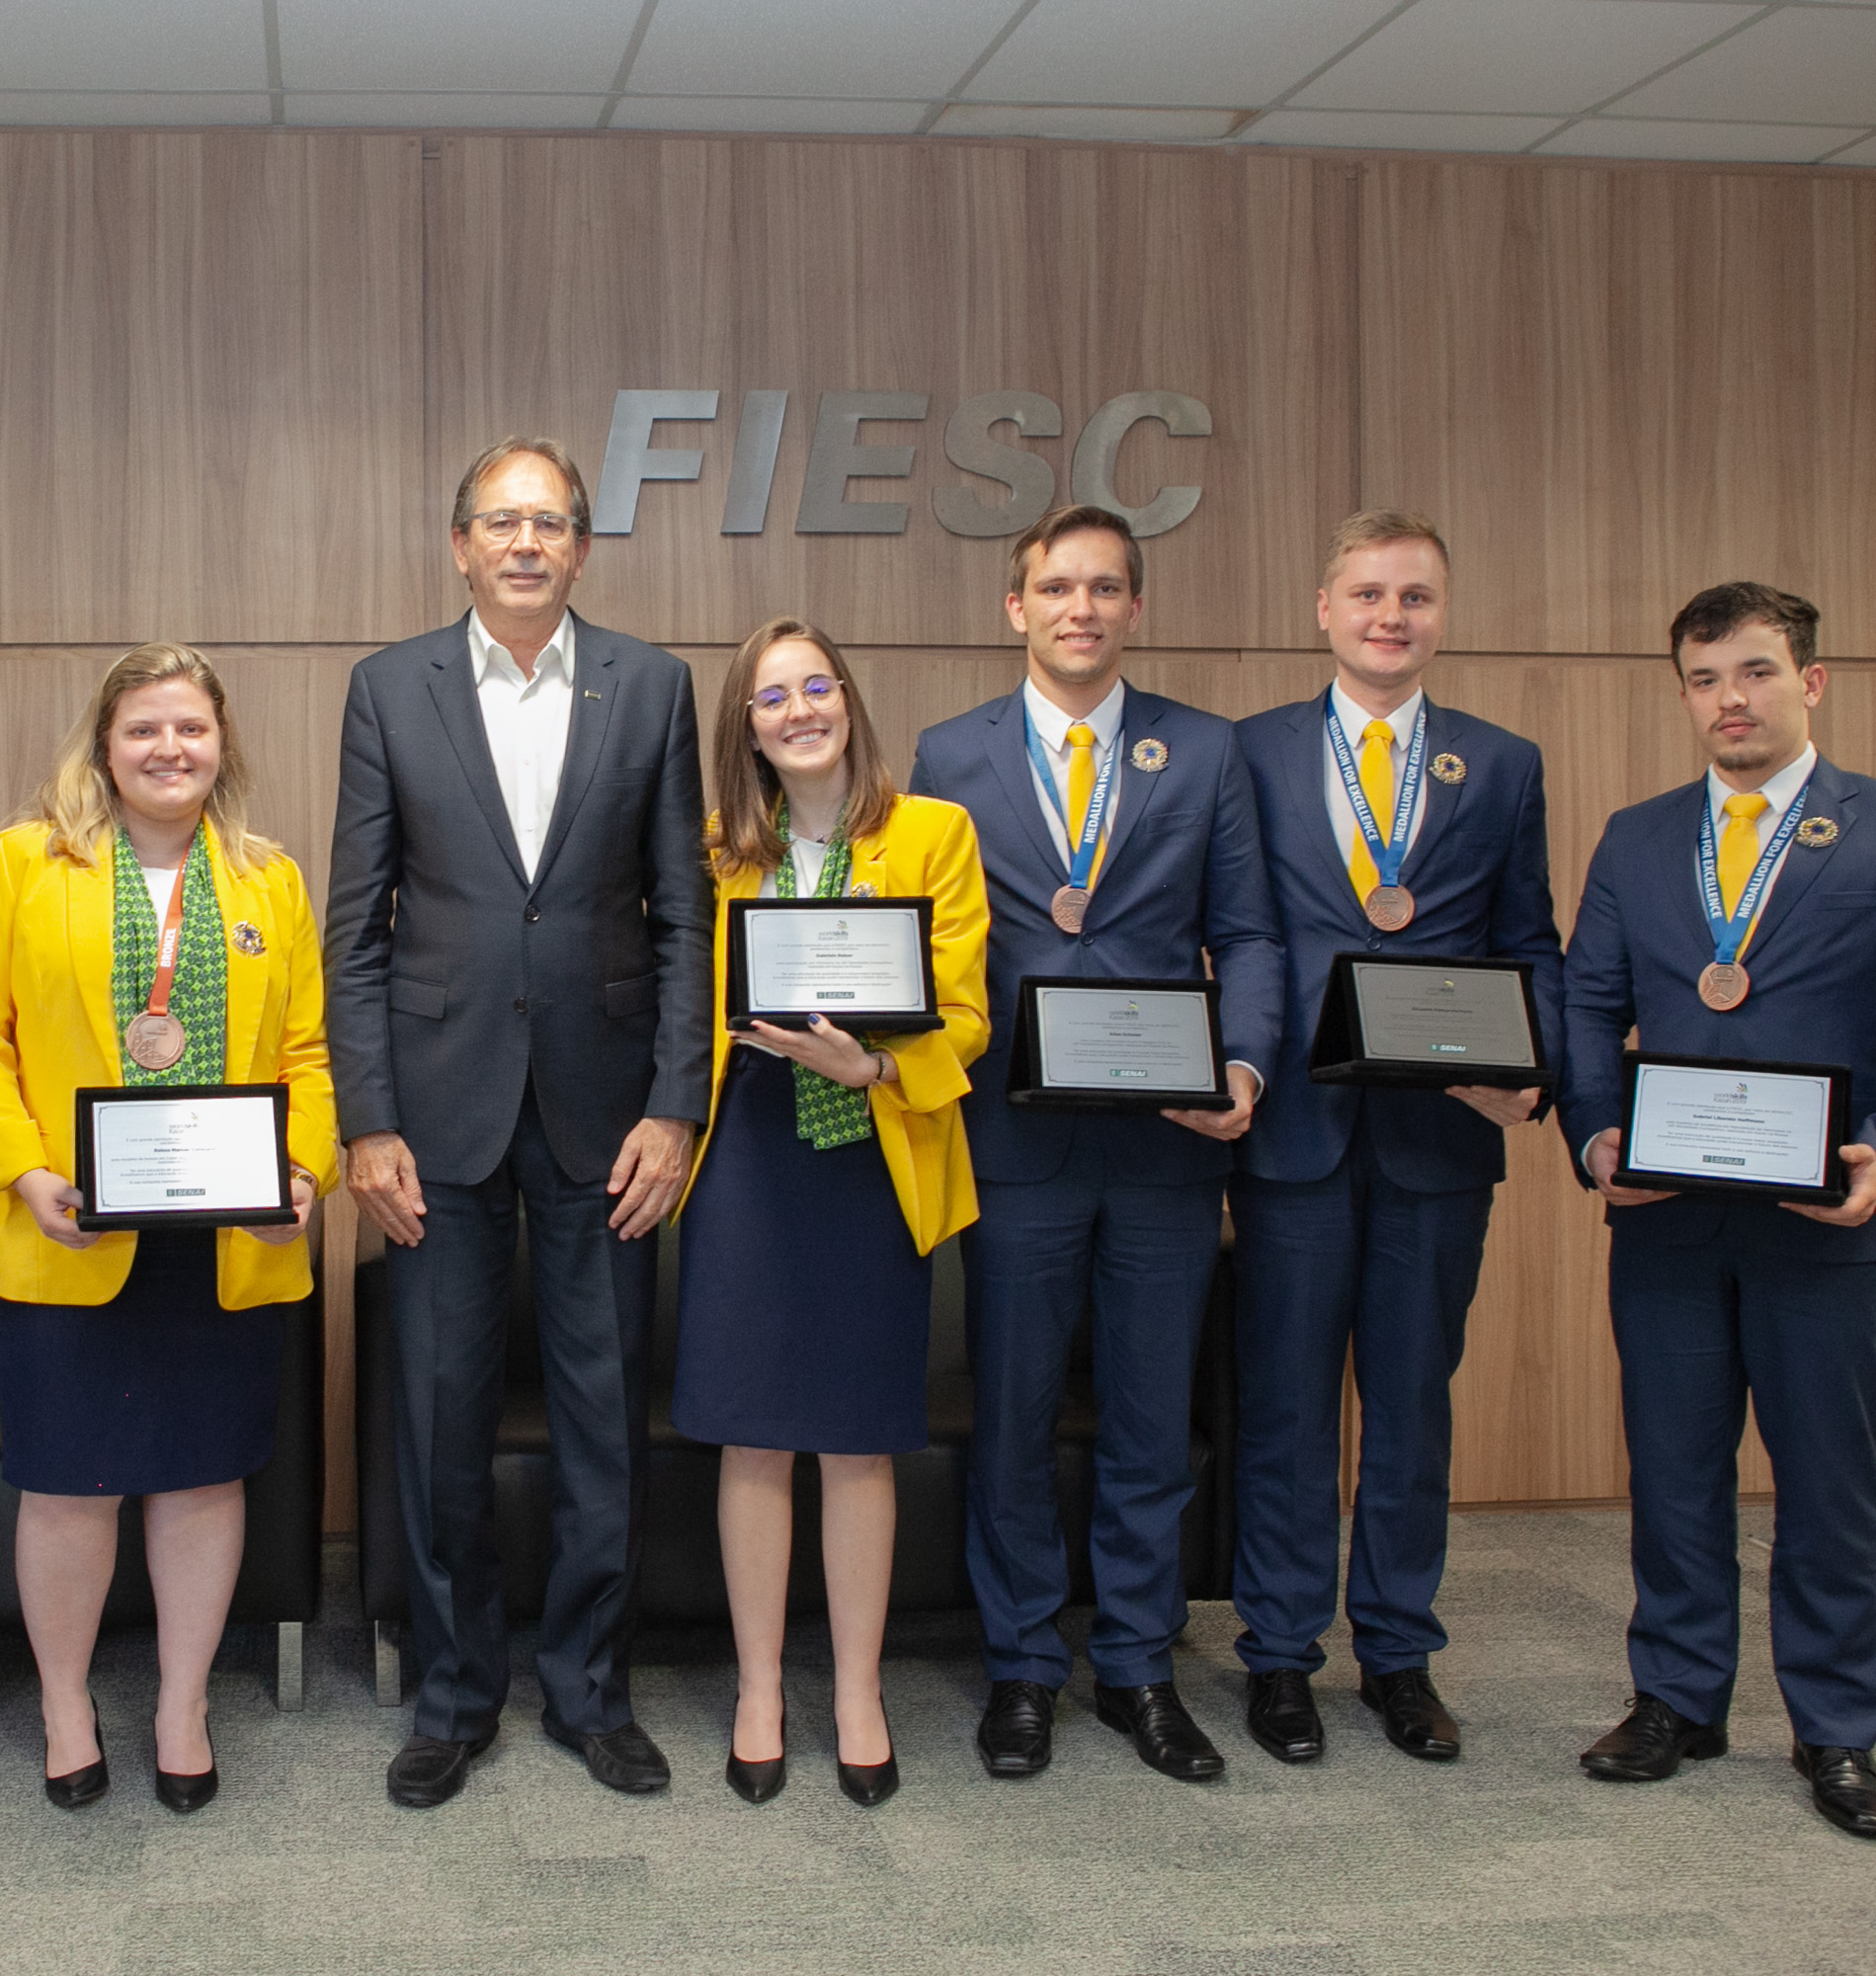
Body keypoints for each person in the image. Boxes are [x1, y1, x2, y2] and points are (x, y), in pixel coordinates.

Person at [1559, 582, 1876, 1840]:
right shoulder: (1638, 837)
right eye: (1705, 679)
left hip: (1832, 1220)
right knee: (1673, 1471)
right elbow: (1588, 1003)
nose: (1731, 700)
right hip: (1668, 1219)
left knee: (1829, 1484)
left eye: (1755, 672)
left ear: (1810, 681)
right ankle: (1676, 1698)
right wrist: (1596, 1131)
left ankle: (1838, 1726)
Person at [327, 436, 715, 1808]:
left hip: (609, 1117)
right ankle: (452, 1696)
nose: (526, 543)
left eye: (550, 521)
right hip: (436, 1117)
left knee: (603, 1420)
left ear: (583, 548)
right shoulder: (390, 689)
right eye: (502, 521)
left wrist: (677, 1104)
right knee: (439, 1418)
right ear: (461, 545)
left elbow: (685, 919)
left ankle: (593, 1692)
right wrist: (367, 1120)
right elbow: (354, 926)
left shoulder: (652, 687)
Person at [909, 503, 1283, 1785]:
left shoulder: (1207, 749)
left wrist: (1245, 1064)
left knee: (1149, 1417)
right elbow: (939, 943)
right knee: (1012, 1414)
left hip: (1169, 1144)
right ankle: (1021, 1665)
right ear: (1016, 606)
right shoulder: (948, 753)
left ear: (1135, 607)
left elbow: (1250, 933)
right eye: (1058, 587)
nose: (1081, 608)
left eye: (1105, 588)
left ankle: (1135, 1664)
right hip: (1016, 1143)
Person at [0, 643, 336, 1816]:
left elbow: (307, 1054)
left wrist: (305, 1167)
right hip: (69, 1228)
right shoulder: (27, 861)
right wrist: (22, 1171)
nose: (171, 748)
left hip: (224, 1237)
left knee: (203, 1479)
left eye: (191, 728)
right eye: (145, 729)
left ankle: (182, 1704)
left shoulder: (269, 879)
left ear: (222, 744)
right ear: (104, 747)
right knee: (70, 1484)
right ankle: (66, 1706)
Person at [1226, 512, 1563, 1767]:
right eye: (1367, 593)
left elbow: (1529, 942)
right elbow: (1237, 931)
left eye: (1414, 595)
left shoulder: (1503, 763)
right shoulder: (1250, 750)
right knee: (1286, 1404)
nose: (1390, 615)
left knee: (1413, 1404)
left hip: (1440, 1137)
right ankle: (1279, 1651)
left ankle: (1400, 1652)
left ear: (1441, 614)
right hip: (1293, 1131)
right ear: (1324, 608)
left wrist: (1533, 1074)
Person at [672, 618, 989, 1810]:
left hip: (875, 1151)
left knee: (860, 1437)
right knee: (752, 1434)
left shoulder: (933, 833)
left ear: (849, 698)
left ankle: (859, 1690)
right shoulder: (714, 853)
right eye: (773, 698)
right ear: (746, 729)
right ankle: (759, 1690)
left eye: (817, 687)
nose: (800, 710)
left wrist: (879, 1067)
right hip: (750, 1157)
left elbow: (967, 1010)